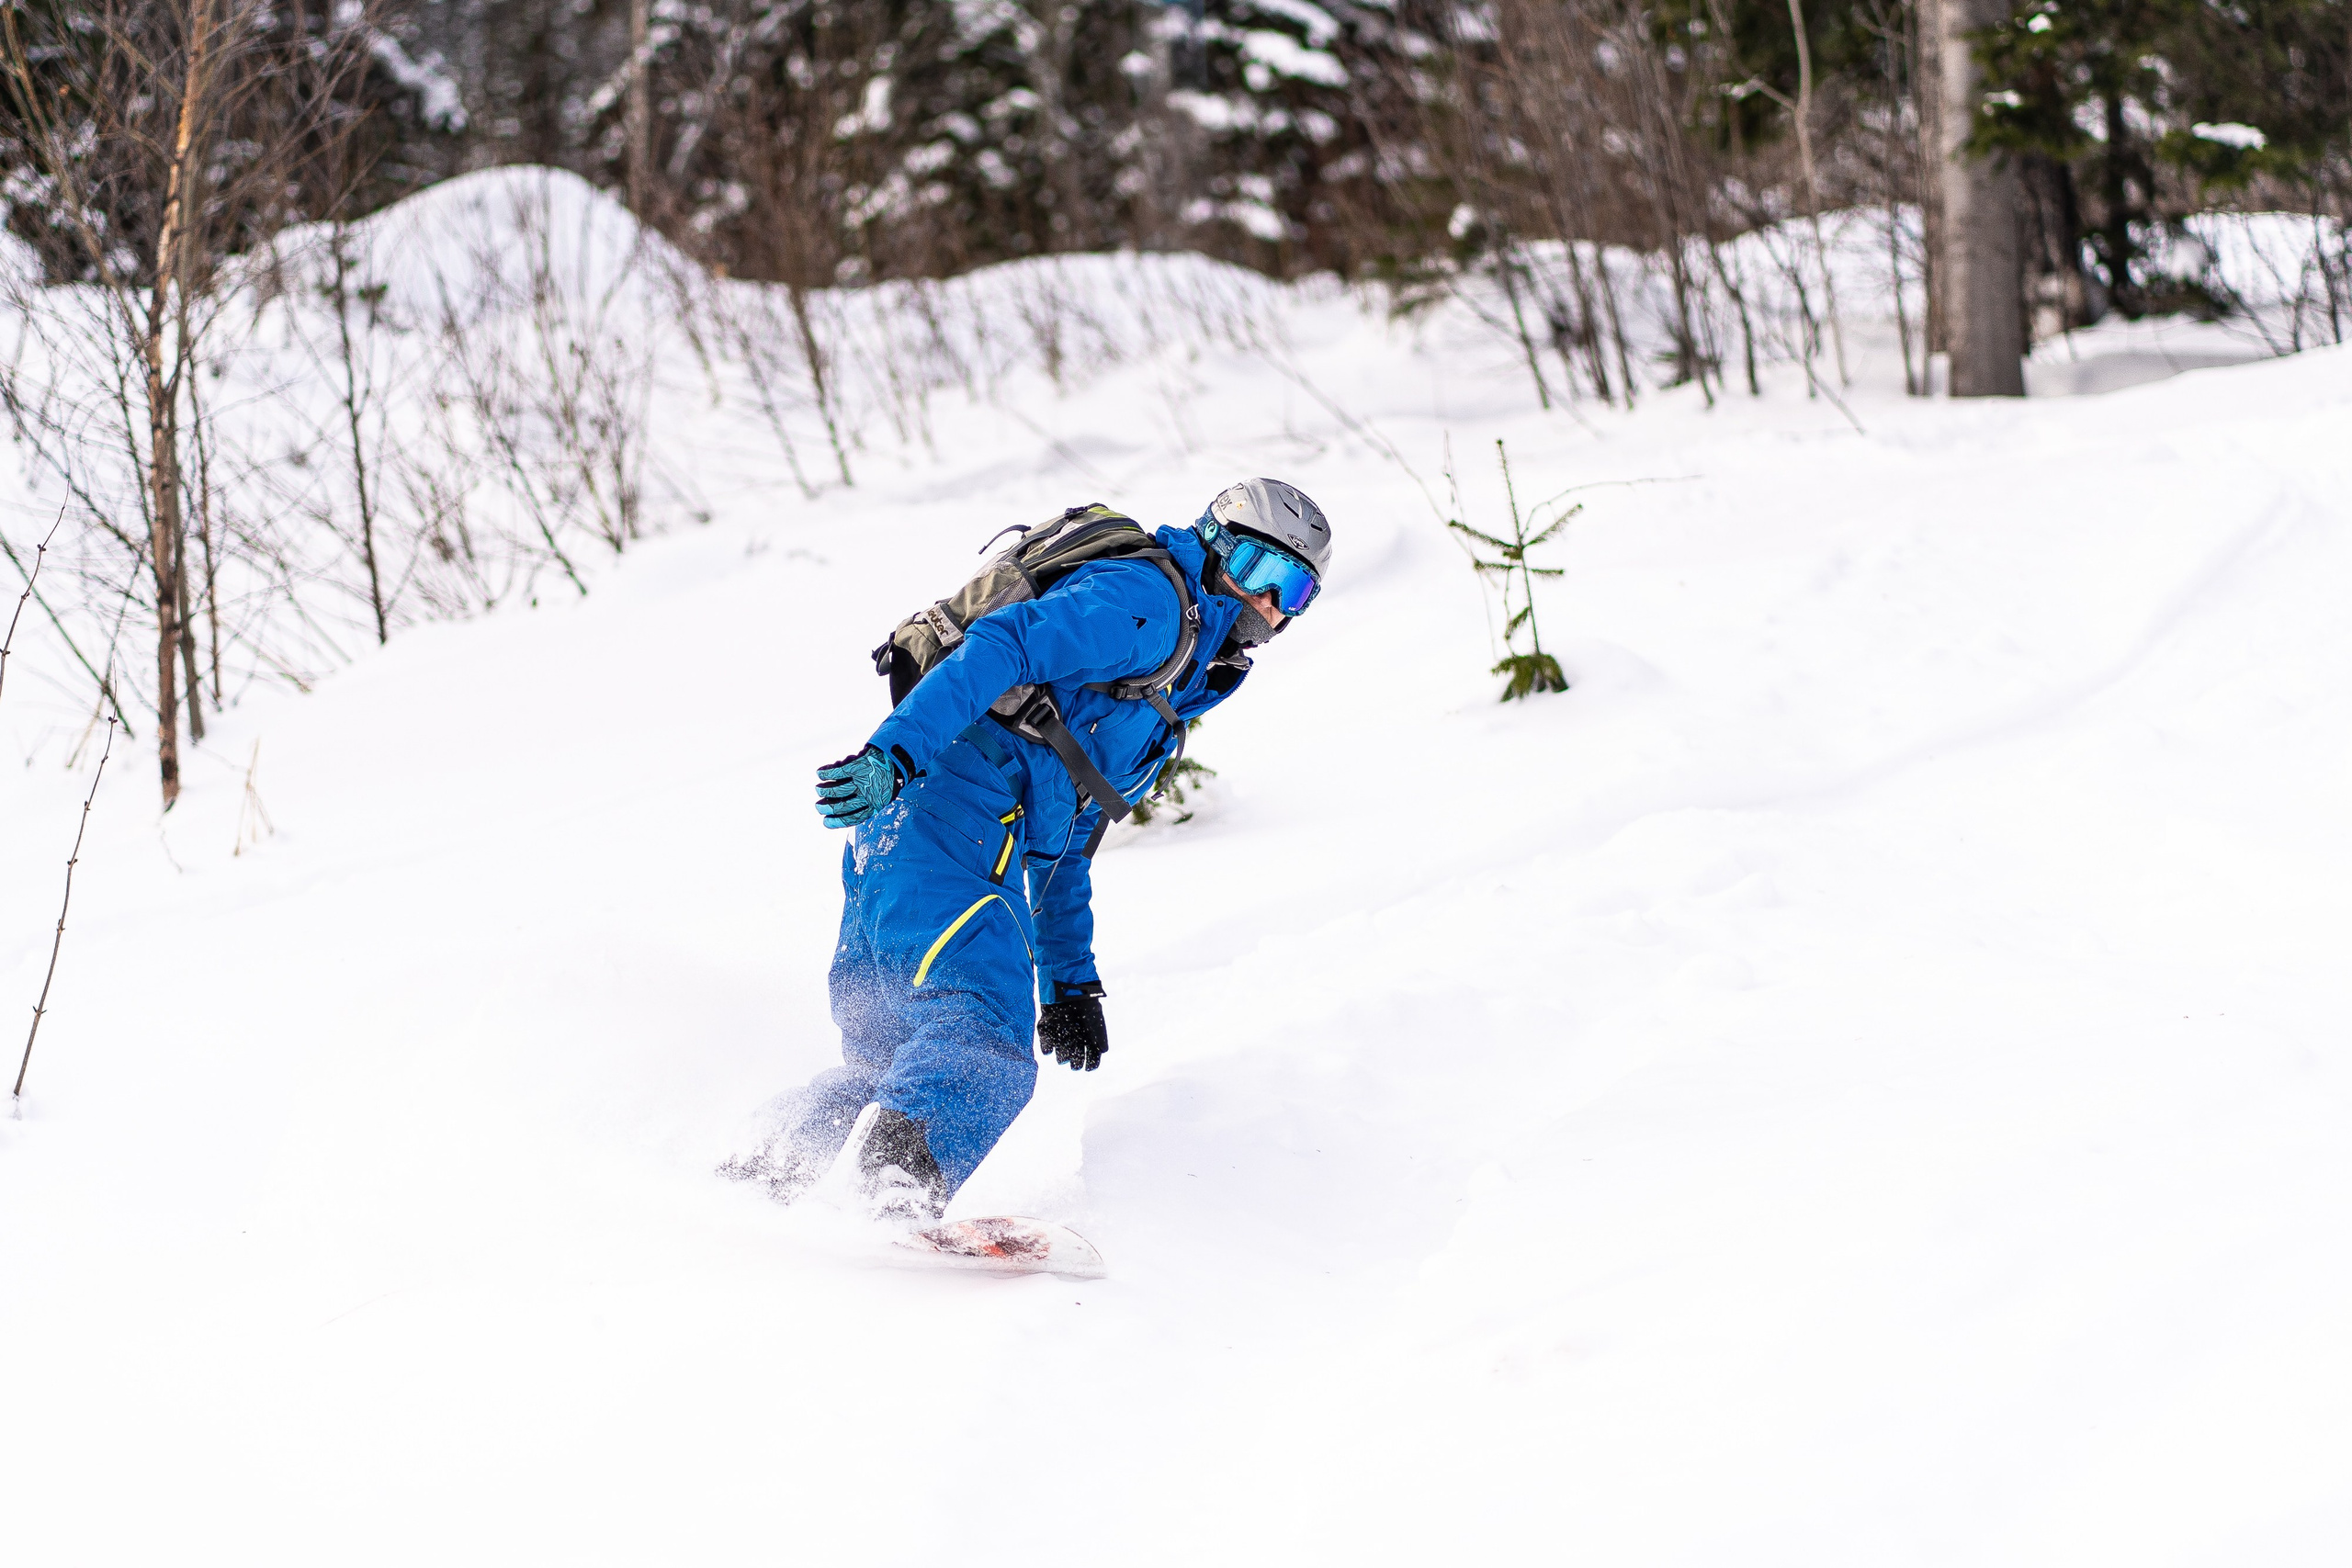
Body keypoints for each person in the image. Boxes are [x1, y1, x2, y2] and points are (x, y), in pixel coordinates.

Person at [750, 479, 1333, 1222]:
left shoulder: (1175, 687)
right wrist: (892, 754)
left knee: (890, 1061)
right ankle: (888, 1195)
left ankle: (768, 1167)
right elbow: (1002, 645)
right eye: (1262, 572)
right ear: (1218, 547)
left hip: (910, 836)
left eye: (1297, 589)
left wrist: (1068, 981)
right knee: (984, 1041)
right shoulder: (1151, 606)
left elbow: (1068, 839)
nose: (1272, 605)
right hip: (948, 817)